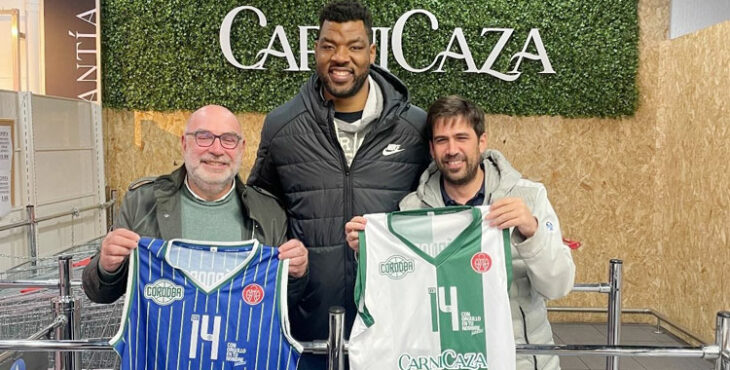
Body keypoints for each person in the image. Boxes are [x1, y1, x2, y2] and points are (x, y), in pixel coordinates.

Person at [247, 1, 430, 367]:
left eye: (354, 46)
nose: (340, 57)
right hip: (307, 329)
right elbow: (259, 210)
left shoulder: (414, 129)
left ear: (372, 52)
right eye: (329, 45)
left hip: (392, 329)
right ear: (316, 49)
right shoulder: (282, 127)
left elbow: (444, 204)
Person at [345, 95, 576, 370]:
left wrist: (532, 232)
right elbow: (403, 296)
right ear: (432, 149)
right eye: (442, 140)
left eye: (461, 137)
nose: (452, 149)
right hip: (446, 361)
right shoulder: (412, 210)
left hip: (522, 361)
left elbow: (558, 287)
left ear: (482, 141)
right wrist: (371, 252)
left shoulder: (528, 197)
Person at [83, 104, 308, 305]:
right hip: (164, 349)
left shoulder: (269, 212)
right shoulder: (141, 202)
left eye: (228, 139)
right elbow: (101, 293)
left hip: (239, 350)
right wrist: (106, 266)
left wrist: (296, 274)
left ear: (241, 148)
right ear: (184, 143)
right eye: (204, 137)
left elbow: (285, 300)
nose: (217, 150)